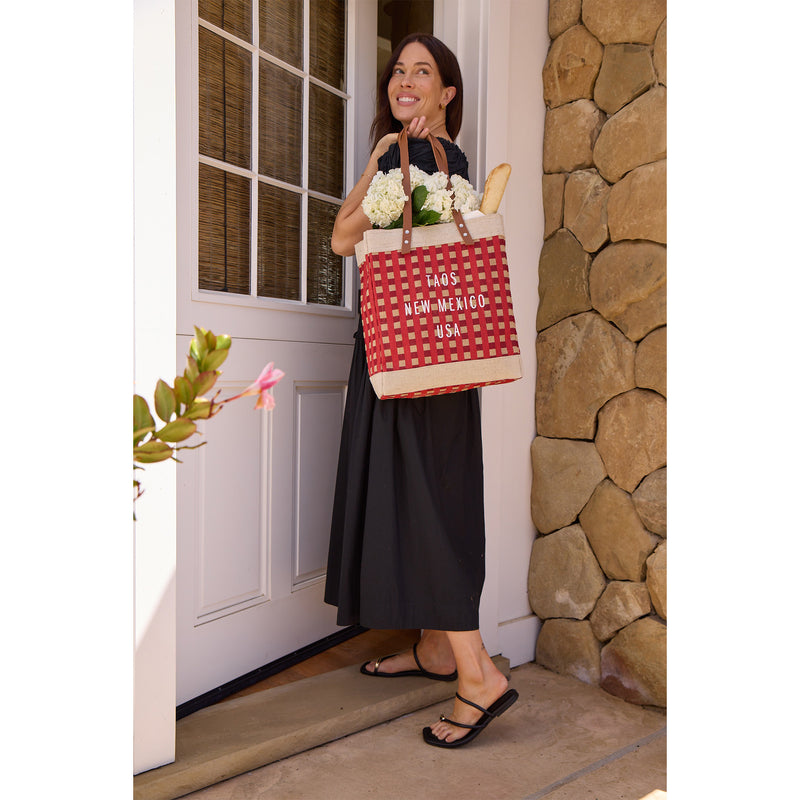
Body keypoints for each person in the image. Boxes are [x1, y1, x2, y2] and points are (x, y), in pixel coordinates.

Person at [324, 33, 517, 748]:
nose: (405, 81)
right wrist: (378, 160)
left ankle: (478, 677)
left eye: (423, 72)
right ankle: (439, 651)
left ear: (447, 94)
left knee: (430, 513)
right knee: (432, 503)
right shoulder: (401, 158)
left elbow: (345, 242)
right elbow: (345, 236)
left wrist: (385, 166)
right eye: (398, 71)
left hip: (417, 365)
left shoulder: (437, 163)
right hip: (414, 362)